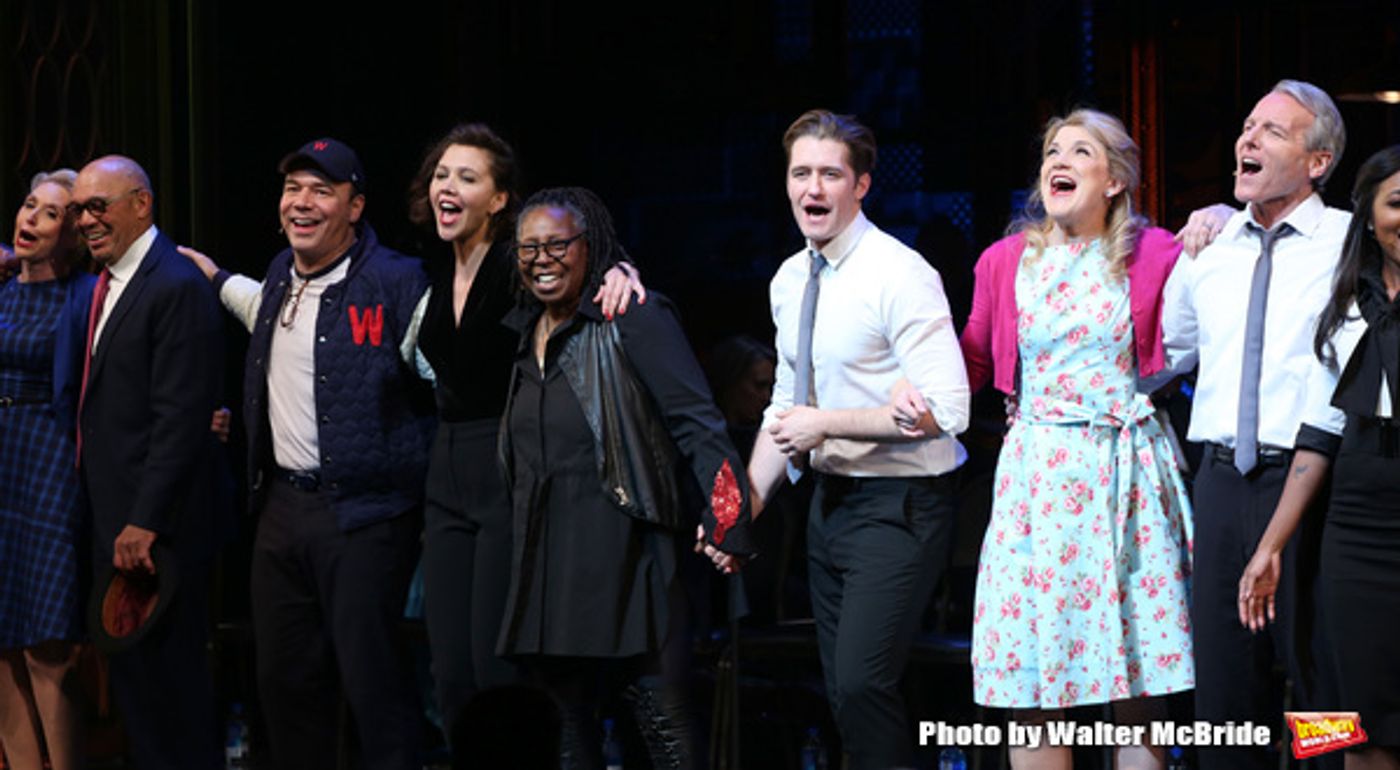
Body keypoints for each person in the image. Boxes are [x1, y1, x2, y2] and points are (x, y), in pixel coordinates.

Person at [184, 138, 434, 770]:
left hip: (366, 515)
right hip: (282, 511)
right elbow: (253, 305)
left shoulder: (396, 281)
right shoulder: (277, 277)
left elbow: (446, 363)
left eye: (321, 190)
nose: (302, 202)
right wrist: (209, 275)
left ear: (355, 207)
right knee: (285, 682)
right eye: (293, 188)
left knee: (372, 682)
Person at [954, 109, 1192, 769]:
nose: (1057, 161)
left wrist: (1220, 220)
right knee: (1033, 670)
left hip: (1123, 470)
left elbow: (1213, 284)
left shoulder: (1155, 252)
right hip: (1037, 474)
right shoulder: (1006, 261)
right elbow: (970, 359)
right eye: (1051, 151)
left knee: (1135, 672)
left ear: (1114, 179)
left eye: (1079, 151)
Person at [734, 109, 970, 769]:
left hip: (902, 503)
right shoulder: (790, 279)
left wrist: (826, 422)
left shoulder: (898, 273)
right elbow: (785, 407)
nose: (814, 187)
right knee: (843, 693)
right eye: (801, 172)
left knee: (865, 684)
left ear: (860, 185)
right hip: (829, 503)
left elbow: (950, 407)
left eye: (830, 173)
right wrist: (741, 509)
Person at [498, 186, 754, 769]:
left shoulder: (631, 314)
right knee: (563, 724)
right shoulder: (523, 330)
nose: (542, 258)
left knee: (660, 718)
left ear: (591, 248)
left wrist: (727, 518)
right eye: (529, 247)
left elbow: (698, 422)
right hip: (548, 553)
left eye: (558, 244)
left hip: (626, 545)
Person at [1161, 79, 1350, 770]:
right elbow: (1171, 349)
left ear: (1318, 161)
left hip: (1309, 481)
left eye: (1272, 130)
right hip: (1218, 481)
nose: (1248, 139)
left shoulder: (1345, 243)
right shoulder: (1214, 243)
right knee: (1222, 690)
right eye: (1246, 126)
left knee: (1321, 689)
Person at [1238, 145, 1400, 770]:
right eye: (1396, 203)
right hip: (1355, 530)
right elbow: (1319, 434)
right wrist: (1271, 545)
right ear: (1369, 216)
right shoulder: (1343, 305)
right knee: (1350, 714)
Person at [72, 155, 228, 770]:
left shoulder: (174, 285)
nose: (86, 220)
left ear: (142, 204)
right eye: (80, 208)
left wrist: (145, 520)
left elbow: (181, 419)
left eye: (98, 206)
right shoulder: (111, 283)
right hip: (118, 524)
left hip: (158, 534)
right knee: (139, 696)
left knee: (174, 696)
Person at [0, 170, 89, 770]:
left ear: (71, 233)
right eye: (29, 205)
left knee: (46, 646)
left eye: (50, 213)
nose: (31, 218)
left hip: (49, 464)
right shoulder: (2, 292)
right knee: (2, 643)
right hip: (1, 458)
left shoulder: (83, 299)